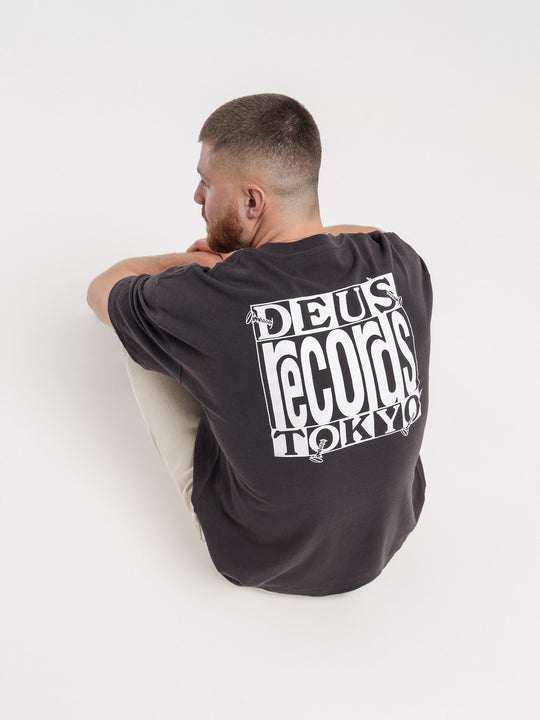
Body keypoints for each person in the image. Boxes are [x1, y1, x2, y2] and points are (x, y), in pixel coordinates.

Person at [87, 93, 432, 596]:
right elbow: (367, 232)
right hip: (386, 537)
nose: (197, 196)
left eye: (208, 183)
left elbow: (103, 289)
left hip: (261, 556)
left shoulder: (206, 299)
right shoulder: (400, 262)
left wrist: (198, 265)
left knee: (139, 326)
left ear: (253, 202)